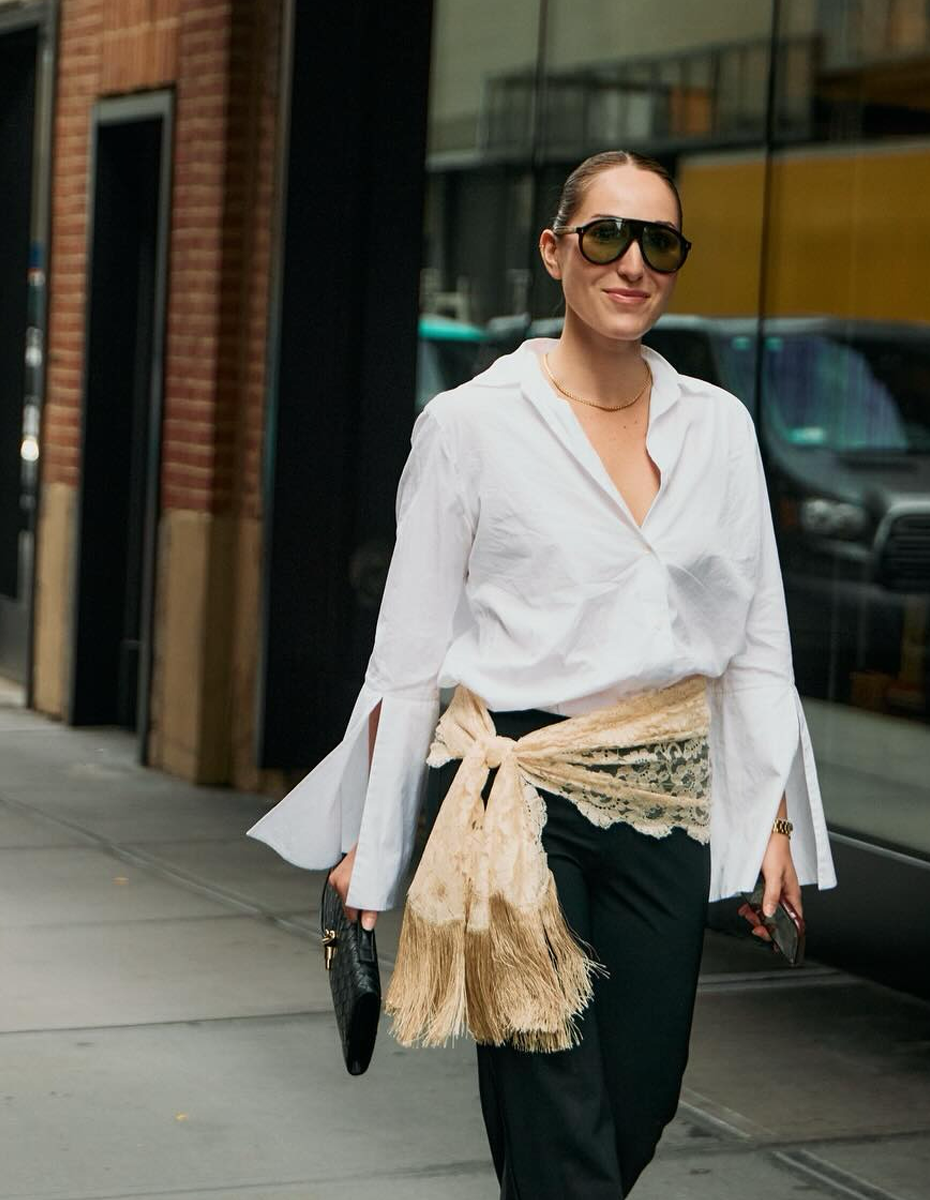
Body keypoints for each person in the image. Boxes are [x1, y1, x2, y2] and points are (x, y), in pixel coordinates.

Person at [248, 148, 836, 1198]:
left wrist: (775, 821)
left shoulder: (722, 430)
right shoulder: (471, 425)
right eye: (607, 235)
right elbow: (408, 657)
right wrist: (371, 854)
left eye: (660, 242)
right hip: (512, 802)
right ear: (555, 250)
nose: (632, 263)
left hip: (664, 798)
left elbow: (755, 646)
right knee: (558, 1107)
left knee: (641, 1096)